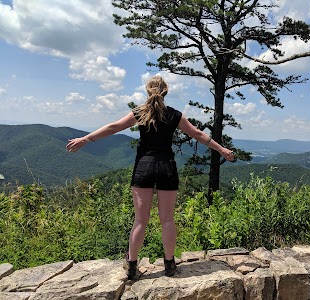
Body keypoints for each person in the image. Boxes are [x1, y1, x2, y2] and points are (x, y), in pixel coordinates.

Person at [66, 75, 235, 279]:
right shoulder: (175, 115)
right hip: (166, 167)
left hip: (144, 167)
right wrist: (222, 149)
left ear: (148, 91)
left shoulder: (141, 112)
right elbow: (198, 134)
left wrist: (86, 139)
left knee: (140, 220)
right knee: (167, 220)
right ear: (166, 92)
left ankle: (131, 266)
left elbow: (114, 127)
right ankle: (170, 265)